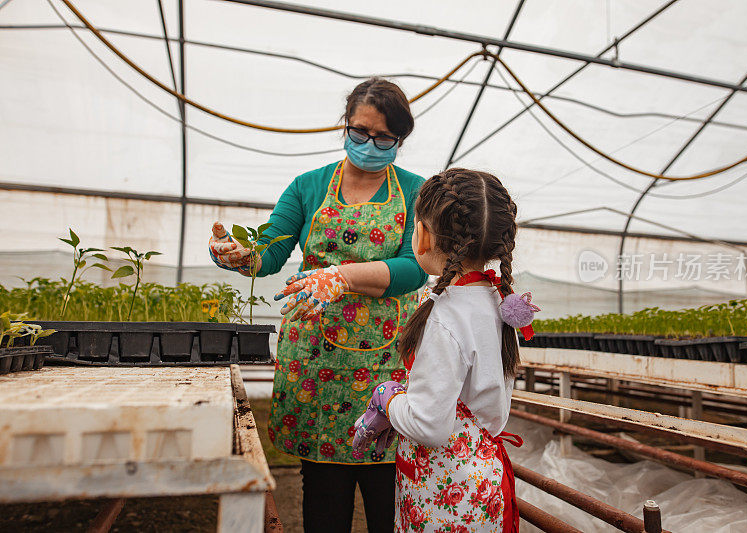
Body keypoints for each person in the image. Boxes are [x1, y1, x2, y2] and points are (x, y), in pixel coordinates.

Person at [208, 78, 428, 532]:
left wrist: (340, 277)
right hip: (316, 362)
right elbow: (270, 253)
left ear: (399, 139)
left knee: (390, 493)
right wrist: (239, 254)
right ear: (344, 125)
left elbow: (415, 268)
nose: (369, 143)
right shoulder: (309, 187)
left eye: (383, 137)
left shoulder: (415, 191)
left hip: (388, 363)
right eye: (359, 131)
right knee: (325, 495)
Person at [353, 168, 540, 532]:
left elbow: (428, 425)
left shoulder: (443, 315)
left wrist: (388, 399)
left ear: (420, 234)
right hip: (481, 480)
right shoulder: (499, 300)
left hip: (445, 492)